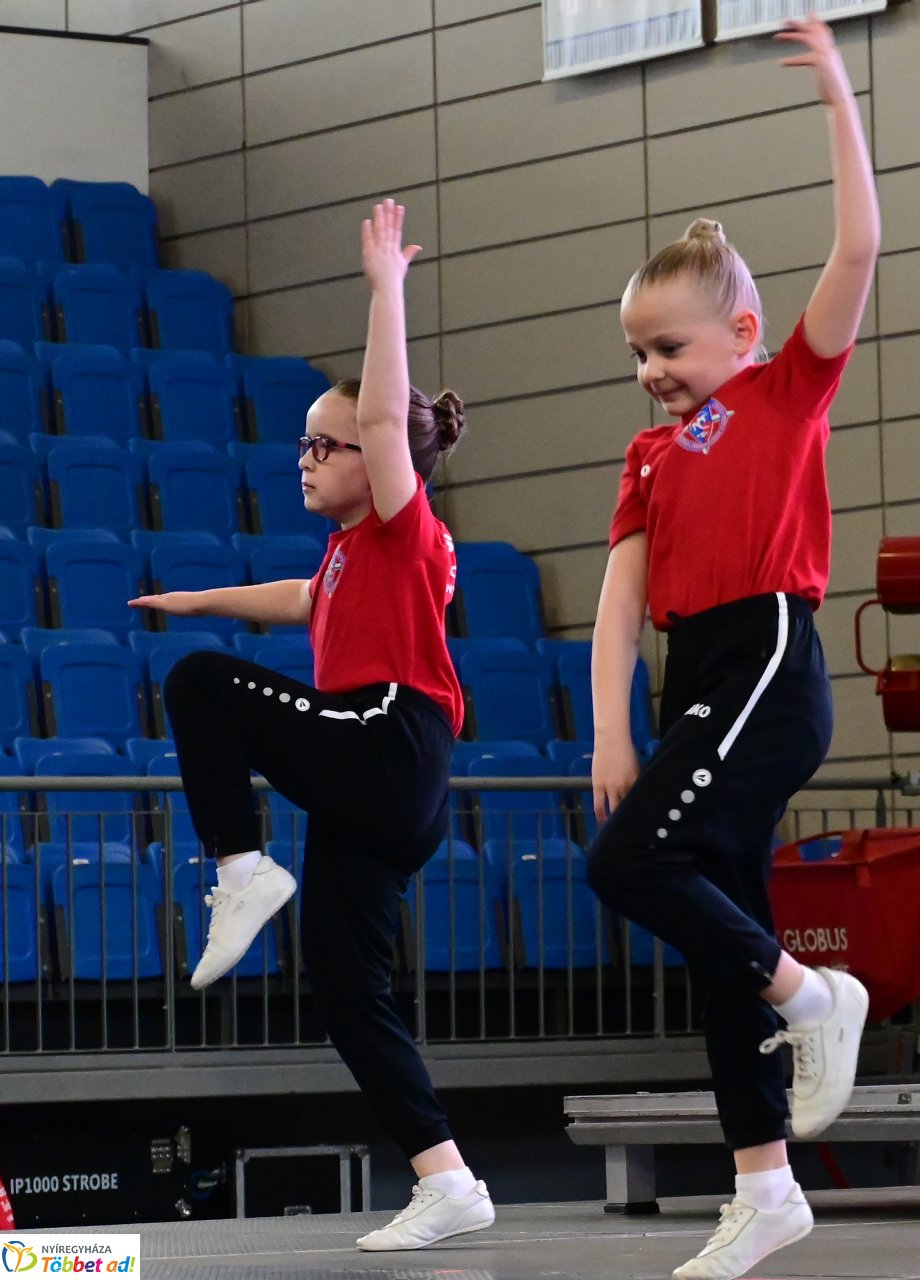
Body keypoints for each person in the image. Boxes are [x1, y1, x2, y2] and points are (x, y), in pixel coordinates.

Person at [133, 199, 492, 1253]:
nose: (306, 456)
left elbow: (386, 422)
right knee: (345, 987)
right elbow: (297, 595)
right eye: (302, 443)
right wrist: (192, 600)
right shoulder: (348, 553)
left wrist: (387, 286)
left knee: (203, 688)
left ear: (376, 460)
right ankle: (449, 1176)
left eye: (320, 444)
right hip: (377, 785)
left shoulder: (404, 523)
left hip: (388, 740)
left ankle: (241, 866)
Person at [580, 17, 878, 1280]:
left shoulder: (782, 390)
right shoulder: (648, 455)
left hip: (768, 651)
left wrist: (838, 103)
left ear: (742, 330)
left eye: (672, 346)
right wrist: (610, 727)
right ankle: (768, 1184)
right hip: (694, 671)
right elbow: (618, 599)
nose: (653, 370)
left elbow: (860, 245)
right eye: (640, 352)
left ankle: (817, 996)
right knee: (719, 924)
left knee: (629, 864)